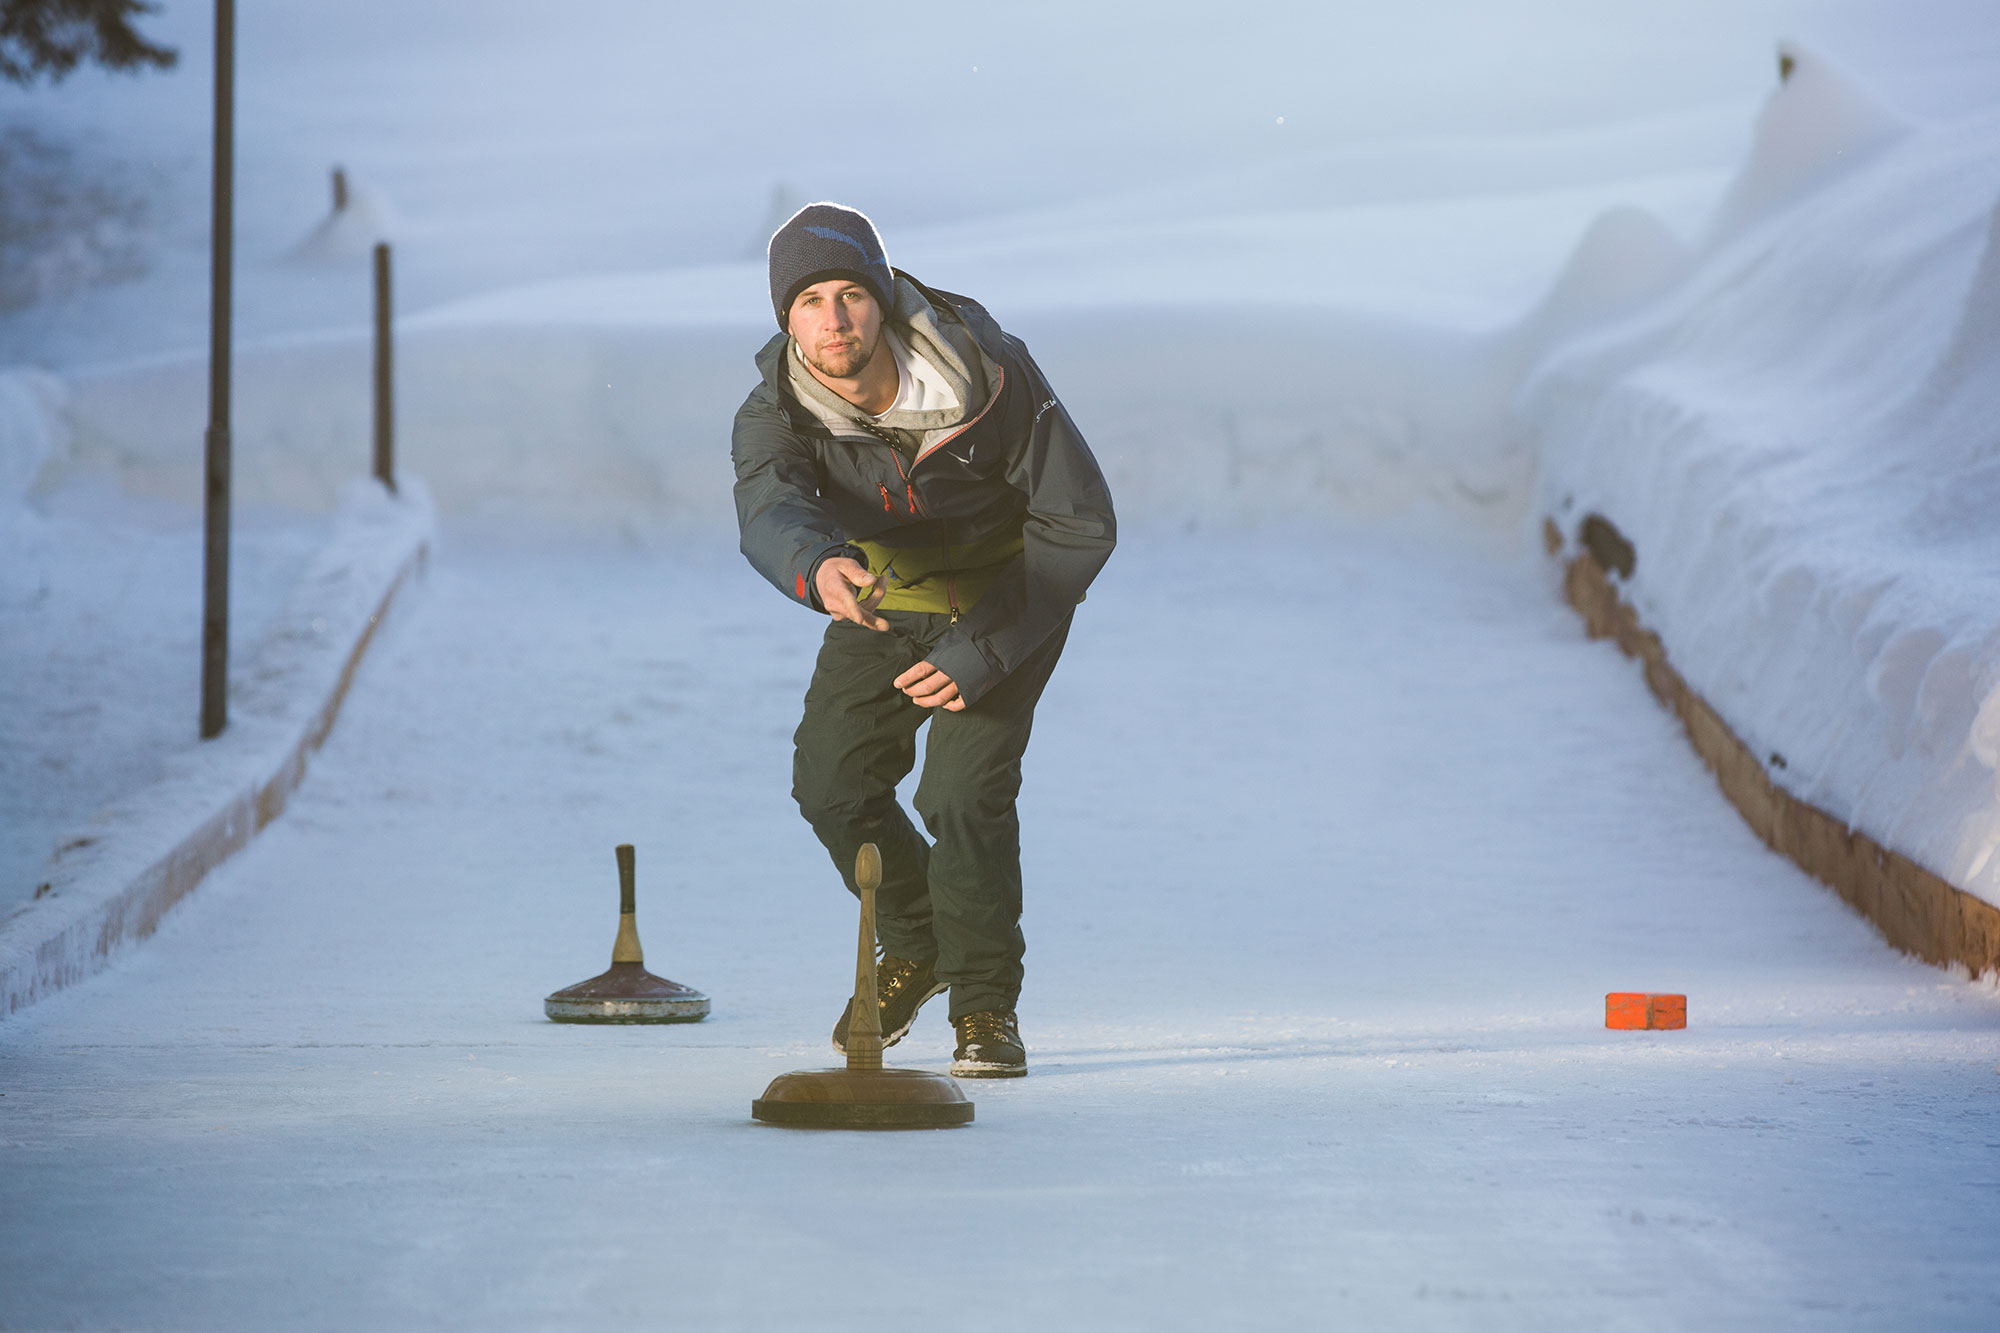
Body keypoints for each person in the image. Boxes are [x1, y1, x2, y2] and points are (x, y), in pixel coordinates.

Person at [732, 203, 1116, 1078]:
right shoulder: (777, 407)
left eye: (851, 296)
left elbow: (1080, 521)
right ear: (785, 317)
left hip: (1008, 600)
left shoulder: (990, 374)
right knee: (831, 783)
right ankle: (919, 940)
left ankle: (986, 1007)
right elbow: (768, 502)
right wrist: (817, 567)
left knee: (959, 794)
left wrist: (984, 652)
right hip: (882, 598)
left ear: (885, 296)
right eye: (810, 301)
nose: (833, 320)